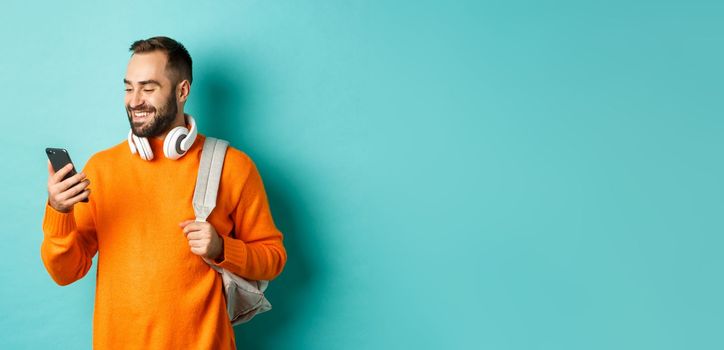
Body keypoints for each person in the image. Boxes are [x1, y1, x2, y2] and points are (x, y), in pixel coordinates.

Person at [41, 36, 287, 350]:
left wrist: (222, 247)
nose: (134, 100)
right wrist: (59, 211)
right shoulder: (102, 168)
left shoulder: (232, 166)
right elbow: (65, 273)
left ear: (182, 90)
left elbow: (273, 259)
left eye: (148, 87)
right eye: (129, 87)